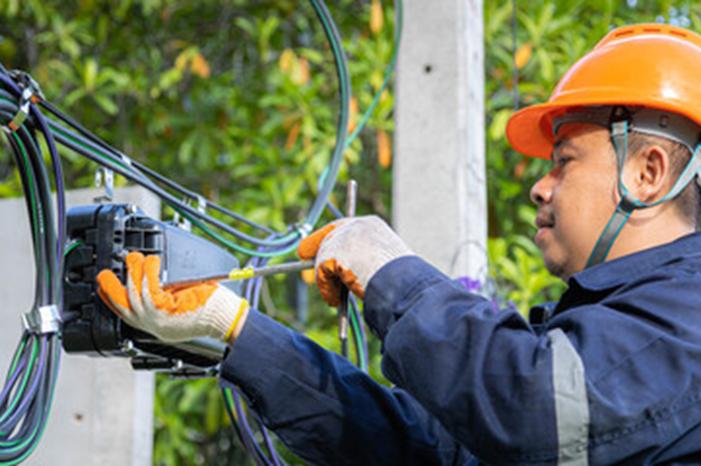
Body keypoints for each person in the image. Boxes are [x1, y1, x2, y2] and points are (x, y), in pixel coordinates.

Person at [97, 23, 701, 465]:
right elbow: (426, 450)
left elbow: (532, 408)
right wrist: (236, 332)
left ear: (648, 172)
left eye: (564, 160)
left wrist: (392, 274)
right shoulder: (614, 331)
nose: (541, 187)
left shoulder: (687, 318)